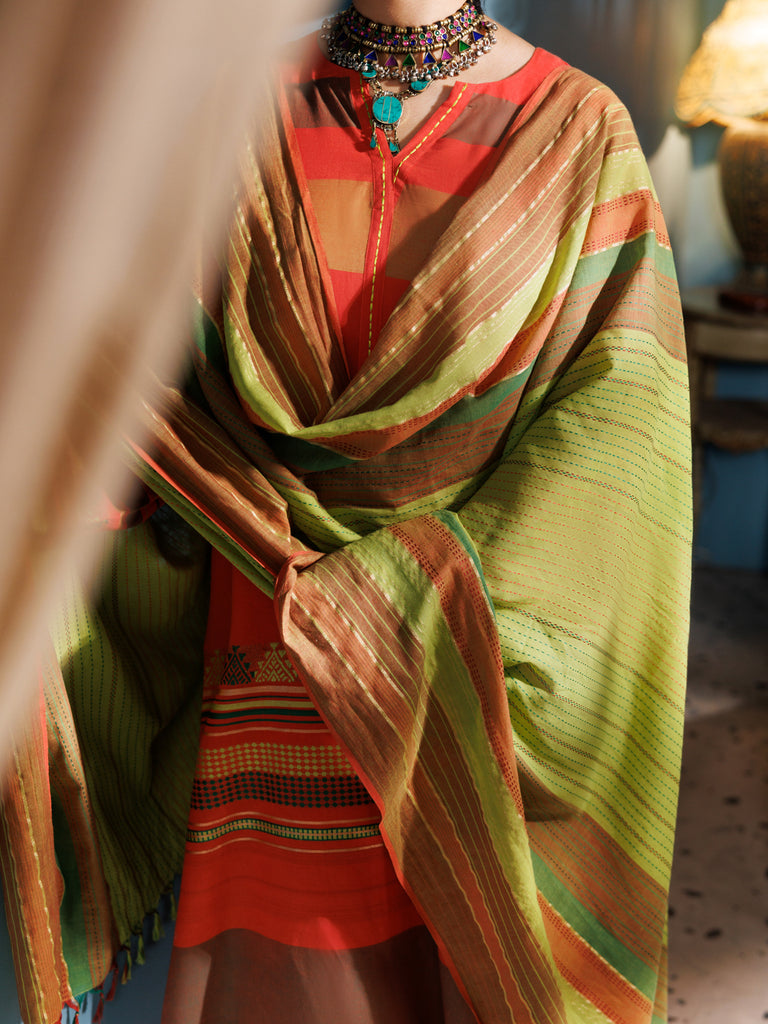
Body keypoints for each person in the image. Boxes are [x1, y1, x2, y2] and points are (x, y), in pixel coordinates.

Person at [6, 2, 692, 1022]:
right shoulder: (239, 114)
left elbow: (618, 441)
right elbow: (145, 376)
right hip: (264, 652)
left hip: (456, 678)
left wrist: (404, 594)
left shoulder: (579, 132)